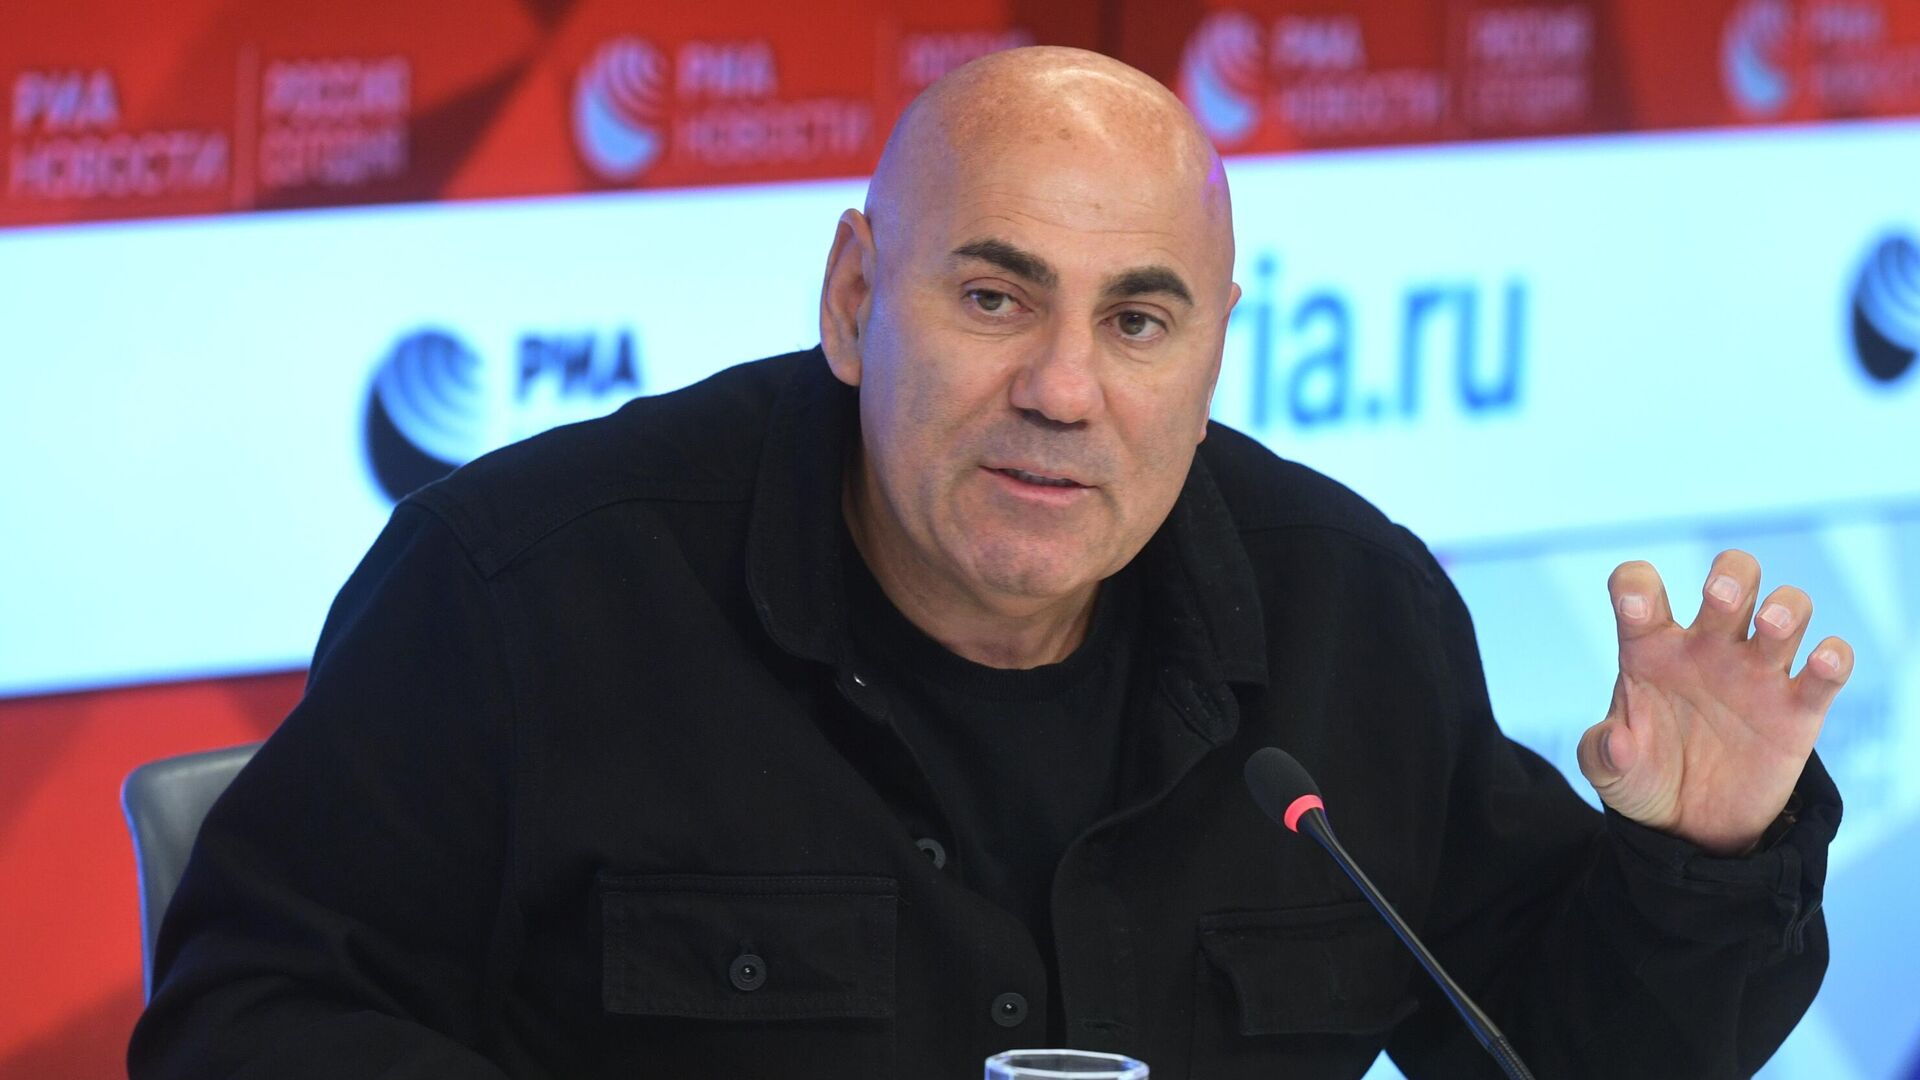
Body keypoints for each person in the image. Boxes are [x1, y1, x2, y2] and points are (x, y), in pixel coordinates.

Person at [129, 47, 1851, 1079]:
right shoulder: (525, 594)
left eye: (1139, 322)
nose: (1063, 389)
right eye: (994, 295)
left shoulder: (1348, 614)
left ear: (1217, 350)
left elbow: (1560, 1048)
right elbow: (250, 1025)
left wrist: (1700, 862)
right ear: (855, 301)